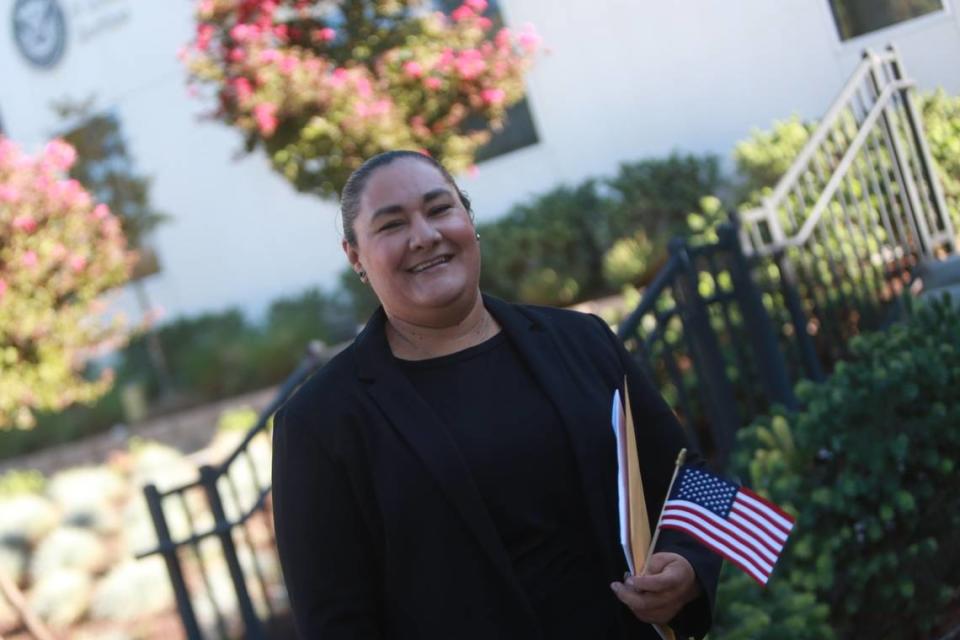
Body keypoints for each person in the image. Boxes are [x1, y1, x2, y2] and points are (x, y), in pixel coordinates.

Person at [271, 150, 721, 639]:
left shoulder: (583, 341)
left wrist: (690, 564)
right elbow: (335, 622)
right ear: (355, 256)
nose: (425, 236)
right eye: (392, 225)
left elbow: (692, 476)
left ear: (469, 219)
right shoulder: (320, 422)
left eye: (440, 209)